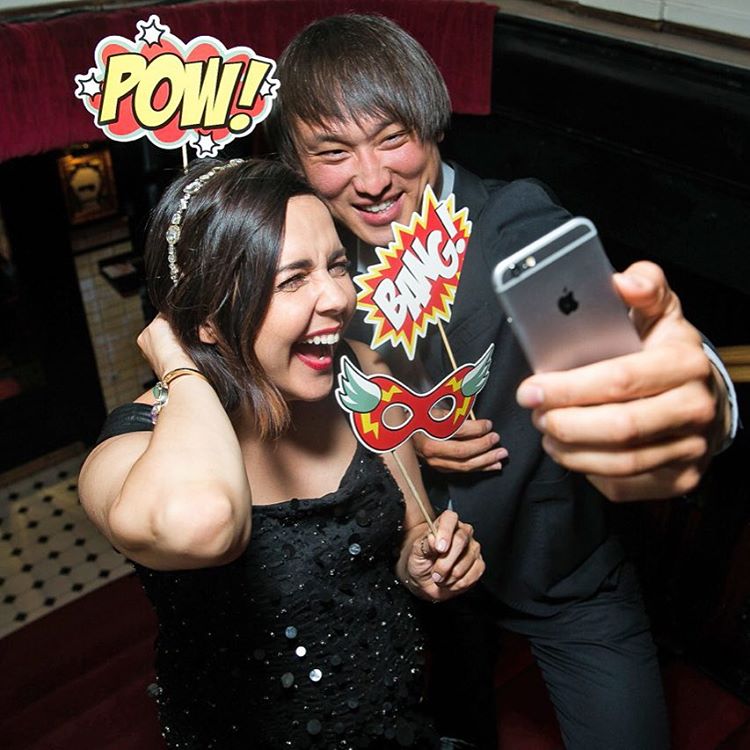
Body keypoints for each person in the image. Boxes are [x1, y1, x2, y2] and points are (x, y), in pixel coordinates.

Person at [268, 14, 738, 749]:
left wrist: (695, 398)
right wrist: (410, 441)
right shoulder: (311, 262)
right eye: (333, 152)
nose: (372, 179)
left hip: (559, 569)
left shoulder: (511, 223)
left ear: (432, 127)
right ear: (296, 163)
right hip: (418, 578)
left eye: (392, 138)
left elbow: (619, 345)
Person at [77, 157, 485, 749]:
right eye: (293, 279)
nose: (338, 297)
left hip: (400, 725)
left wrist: (421, 560)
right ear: (208, 314)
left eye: (337, 266)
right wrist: (178, 362)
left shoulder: (362, 374)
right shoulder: (132, 446)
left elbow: (409, 527)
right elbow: (203, 523)